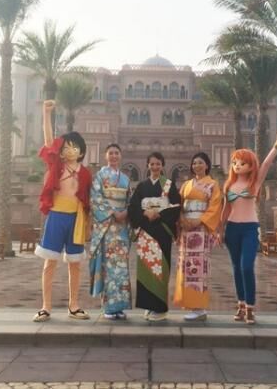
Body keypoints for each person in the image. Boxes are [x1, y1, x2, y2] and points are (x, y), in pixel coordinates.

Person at [33, 100, 92, 322]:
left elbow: (88, 200)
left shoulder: (85, 173)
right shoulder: (56, 165)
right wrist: (46, 114)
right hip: (56, 217)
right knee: (50, 262)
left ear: (81, 151)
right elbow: (49, 141)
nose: (70, 150)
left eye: (74, 147)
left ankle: (74, 305)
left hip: (76, 219)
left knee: (75, 263)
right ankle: (45, 306)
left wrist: (88, 223)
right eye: (66, 147)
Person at [222, 130, 277, 325]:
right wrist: (218, 229)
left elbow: (265, 164)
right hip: (232, 229)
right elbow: (226, 209)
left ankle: (250, 307)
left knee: (246, 266)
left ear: (250, 166)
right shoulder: (229, 185)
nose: (237, 165)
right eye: (235, 162)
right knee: (236, 268)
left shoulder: (254, 183)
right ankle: (241, 305)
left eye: (242, 163)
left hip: (250, 229)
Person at [128, 152, 181, 321]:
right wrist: (145, 212)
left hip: (162, 230)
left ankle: (160, 309)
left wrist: (159, 214)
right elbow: (133, 207)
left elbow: (176, 206)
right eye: (152, 164)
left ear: (162, 165)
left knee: (160, 269)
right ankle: (149, 305)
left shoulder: (169, 185)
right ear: (147, 165)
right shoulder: (142, 186)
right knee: (147, 268)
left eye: (158, 164)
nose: (155, 167)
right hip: (146, 231)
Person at [174, 152, 222, 321]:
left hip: (200, 230)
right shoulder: (186, 185)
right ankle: (190, 304)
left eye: (200, 162)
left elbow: (215, 207)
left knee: (198, 268)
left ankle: (199, 308)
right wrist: (181, 219)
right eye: (194, 163)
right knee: (186, 267)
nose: (197, 166)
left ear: (207, 165)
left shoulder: (212, 185)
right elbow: (179, 205)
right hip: (186, 229)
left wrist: (199, 220)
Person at [89, 143, 132, 320]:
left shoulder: (126, 179)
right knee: (108, 266)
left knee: (121, 267)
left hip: (121, 227)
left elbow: (130, 200)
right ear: (105, 156)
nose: (114, 156)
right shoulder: (99, 176)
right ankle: (108, 306)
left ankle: (119, 306)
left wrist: (126, 212)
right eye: (111, 153)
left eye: (116, 153)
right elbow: (96, 198)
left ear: (120, 156)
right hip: (107, 226)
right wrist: (113, 212)